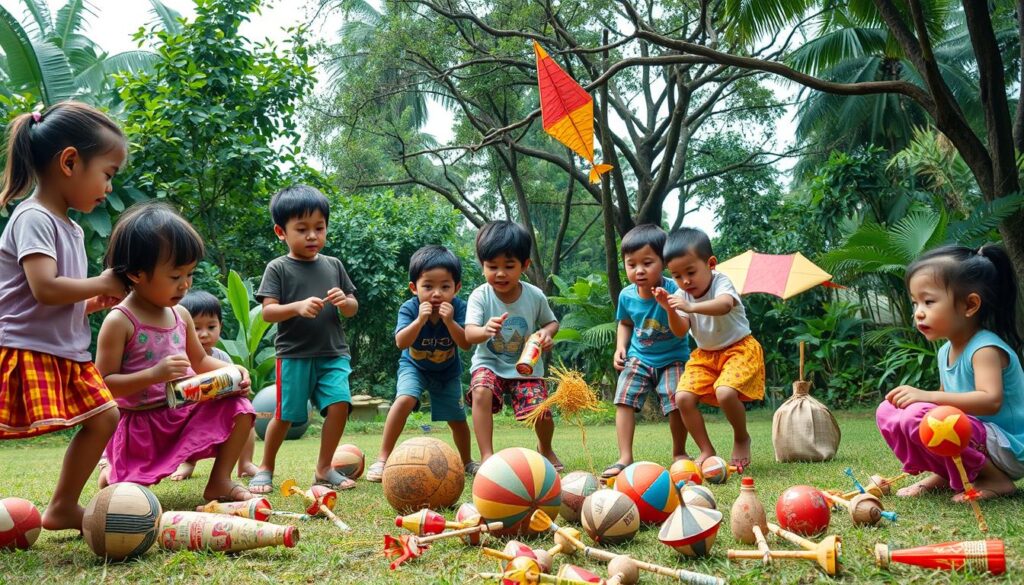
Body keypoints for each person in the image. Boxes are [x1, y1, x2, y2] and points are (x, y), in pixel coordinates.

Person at [0, 103, 126, 531]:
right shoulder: (33, 216)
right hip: (19, 348)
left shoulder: (69, 226)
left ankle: (62, 507)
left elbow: (56, 298)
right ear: (70, 161)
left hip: (63, 351)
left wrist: (90, 301)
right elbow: (45, 288)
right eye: (107, 174)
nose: (108, 187)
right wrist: (103, 283)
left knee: (105, 416)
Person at [95, 202, 255, 503]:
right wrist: (153, 375)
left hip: (181, 411)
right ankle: (111, 472)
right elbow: (103, 382)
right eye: (174, 276)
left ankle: (220, 481)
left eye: (189, 274)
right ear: (136, 273)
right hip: (140, 426)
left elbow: (201, 361)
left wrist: (232, 372)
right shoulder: (119, 321)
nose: (185, 285)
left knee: (240, 407)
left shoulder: (180, 314)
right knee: (128, 497)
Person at [877, 244, 1024, 501]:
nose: (918, 312)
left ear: (970, 305)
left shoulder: (985, 348)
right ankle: (946, 474)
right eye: (915, 302)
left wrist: (928, 396)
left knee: (919, 416)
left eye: (929, 301)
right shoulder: (945, 351)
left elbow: (990, 401)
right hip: (978, 437)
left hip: (1008, 447)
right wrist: (926, 401)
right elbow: (947, 403)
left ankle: (996, 480)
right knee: (889, 410)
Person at [248, 185, 358, 494]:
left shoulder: (334, 265)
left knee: (339, 404)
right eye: (302, 229)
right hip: (294, 355)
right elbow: (267, 312)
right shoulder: (279, 268)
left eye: (319, 228)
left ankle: (324, 468)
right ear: (280, 232)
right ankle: (266, 466)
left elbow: (352, 308)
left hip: (333, 352)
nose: (312, 236)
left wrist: (344, 301)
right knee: (287, 415)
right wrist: (296, 307)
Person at [659, 227, 765, 469]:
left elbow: (725, 305)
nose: (685, 281)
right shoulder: (681, 295)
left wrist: (690, 307)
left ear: (711, 263)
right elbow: (680, 330)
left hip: (739, 349)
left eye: (691, 272)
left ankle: (741, 437)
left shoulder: (721, 282)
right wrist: (669, 309)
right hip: (705, 356)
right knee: (683, 397)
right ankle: (706, 449)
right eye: (677, 276)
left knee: (725, 392)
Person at [366, 246, 474, 482]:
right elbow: (400, 341)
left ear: (457, 288)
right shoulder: (410, 308)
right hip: (413, 366)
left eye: (445, 287)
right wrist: (420, 319)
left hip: (447, 371)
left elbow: (465, 344)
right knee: (404, 399)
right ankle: (382, 459)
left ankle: (467, 461)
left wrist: (449, 320)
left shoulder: (460, 308)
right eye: (428, 286)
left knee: (457, 419)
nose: (436, 293)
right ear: (414, 288)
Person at [464, 221, 561, 472]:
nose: (500, 274)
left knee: (542, 411)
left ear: (524, 266)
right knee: (481, 390)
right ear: (483, 266)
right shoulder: (480, 296)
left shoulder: (535, 295)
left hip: (526, 367)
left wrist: (546, 334)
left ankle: (546, 448)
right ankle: (487, 456)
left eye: (508, 267)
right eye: (492, 267)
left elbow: (551, 323)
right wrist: (485, 330)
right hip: (490, 363)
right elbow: (469, 333)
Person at [603, 224, 691, 480]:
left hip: (673, 357)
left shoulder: (675, 290)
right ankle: (624, 457)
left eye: (647, 262)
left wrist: (668, 306)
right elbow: (626, 322)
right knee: (623, 399)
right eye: (632, 264)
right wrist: (620, 347)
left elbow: (680, 331)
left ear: (663, 262)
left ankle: (679, 454)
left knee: (676, 401)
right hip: (639, 357)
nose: (639, 270)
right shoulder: (627, 295)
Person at [171, 290, 260, 481]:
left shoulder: (222, 358)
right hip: (190, 415)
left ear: (220, 326)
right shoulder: (179, 358)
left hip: (218, 410)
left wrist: (242, 387)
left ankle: (245, 463)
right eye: (196, 328)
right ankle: (188, 462)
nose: (204, 334)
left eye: (211, 326)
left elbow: (237, 385)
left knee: (246, 413)